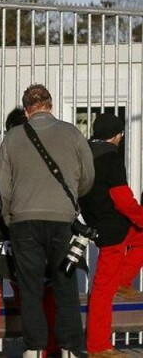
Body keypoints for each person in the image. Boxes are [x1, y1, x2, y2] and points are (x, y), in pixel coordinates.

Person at [0, 84, 95, 358]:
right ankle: (69, 348)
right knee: (65, 286)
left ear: (26, 110)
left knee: (30, 288)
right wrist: (70, 196)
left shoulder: (13, 138)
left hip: (24, 222)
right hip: (62, 220)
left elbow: (1, 184)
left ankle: (34, 348)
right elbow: (88, 176)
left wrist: (9, 216)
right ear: (50, 106)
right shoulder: (73, 133)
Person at [80, 113, 143, 357]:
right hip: (114, 228)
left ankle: (122, 281)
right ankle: (98, 345)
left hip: (97, 221)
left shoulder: (84, 153)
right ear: (117, 136)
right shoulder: (111, 157)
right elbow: (122, 199)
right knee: (102, 291)